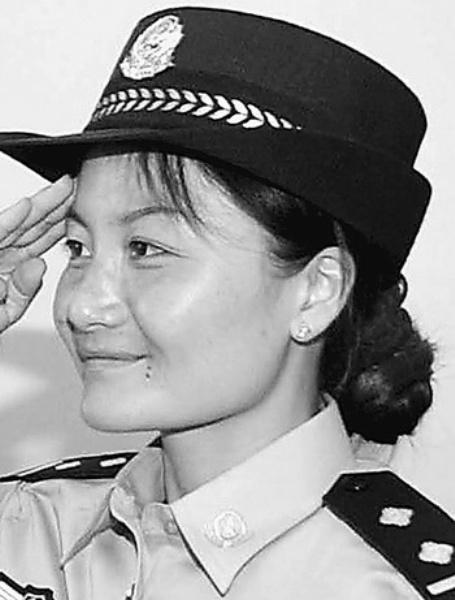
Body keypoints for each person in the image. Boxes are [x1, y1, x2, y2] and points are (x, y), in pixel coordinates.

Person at [0, 5, 450, 600]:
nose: (83, 306)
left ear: (317, 291)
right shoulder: (26, 526)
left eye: (145, 248)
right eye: (78, 248)